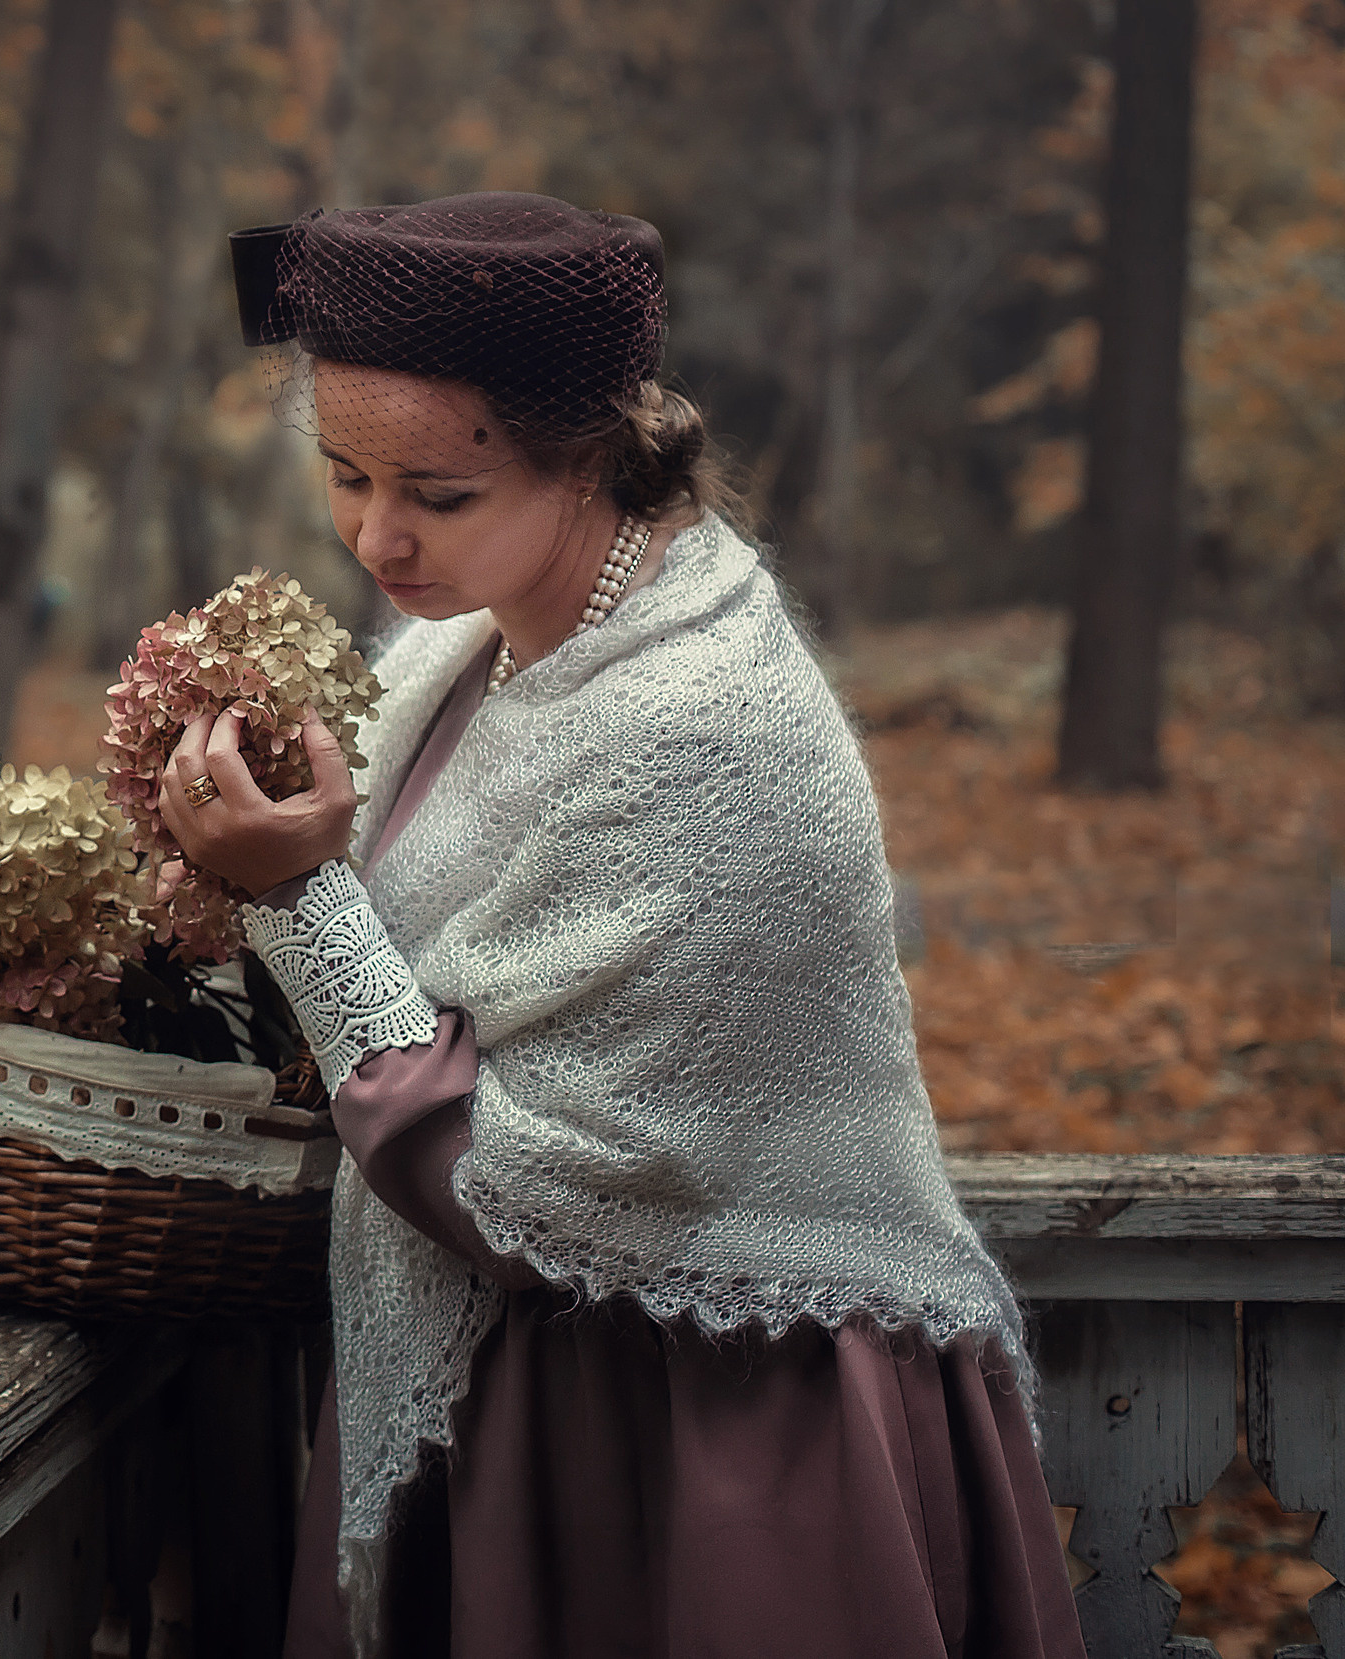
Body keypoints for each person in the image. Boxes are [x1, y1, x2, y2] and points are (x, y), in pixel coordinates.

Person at [152, 193, 1085, 1659]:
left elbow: (533, 1191)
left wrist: (297, 900)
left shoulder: (698, 728)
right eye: (343, 475)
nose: (376, 535)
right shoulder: (465, 645)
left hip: (705, 1446)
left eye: (438, 496)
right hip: (513, 1391)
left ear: (593, 456)